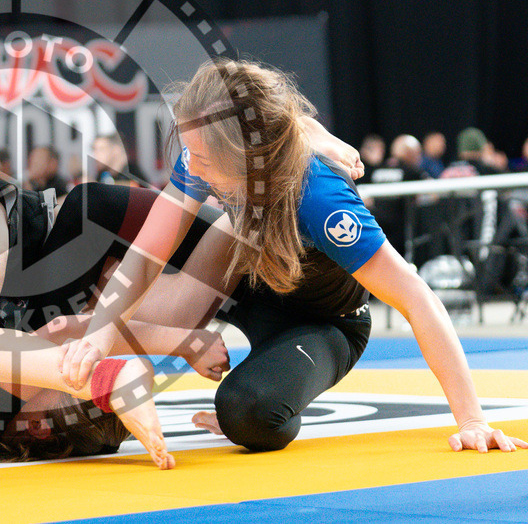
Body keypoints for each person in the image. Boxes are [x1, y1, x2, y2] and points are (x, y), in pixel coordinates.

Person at [61, 59, 526, 455]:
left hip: (323, 323)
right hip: (248, 280)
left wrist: (471, 419)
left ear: (247, 157)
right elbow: (146, 255)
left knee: (249, 413)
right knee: (96, 208)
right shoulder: (214, 150)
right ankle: (46, 355)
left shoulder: (320, 199)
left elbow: (416, 298)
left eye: (203, 159)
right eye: (189, 152)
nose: (189, 164)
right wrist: (99, 338)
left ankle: (271, 375)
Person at [0, 177, 238, 468]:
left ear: (37, 427)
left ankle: (241, 219)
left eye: (74, 386)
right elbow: (72, 332)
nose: (72, 363)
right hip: (15, 253)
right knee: (174, 316)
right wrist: (181, 338)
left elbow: (62, 331)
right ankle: (244, 220)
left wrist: (179, 345)